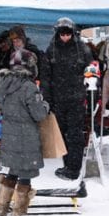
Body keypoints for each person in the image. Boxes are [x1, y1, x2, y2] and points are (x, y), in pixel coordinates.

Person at [0, 49, 49, 216]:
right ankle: (19, 210)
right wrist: (45, 105)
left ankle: (1, 207)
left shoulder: (2, 83)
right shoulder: (29, 87)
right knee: (25, 173)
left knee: (12, 170)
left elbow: (3, 108)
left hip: (9, 134)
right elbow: (39, 114)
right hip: (26, 136)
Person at [40, 17, 93, 181]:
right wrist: (47, 99)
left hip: (76, 98)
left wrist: (91, 95)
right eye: (62, 34)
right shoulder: (51, 50)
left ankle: (73, 168)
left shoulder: (82, 49)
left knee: (75, 134)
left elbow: (91, 73)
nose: (65, 37)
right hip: (58, 99)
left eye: (68, 34)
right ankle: (67, 165)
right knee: (62, 134)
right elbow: (46, 77)